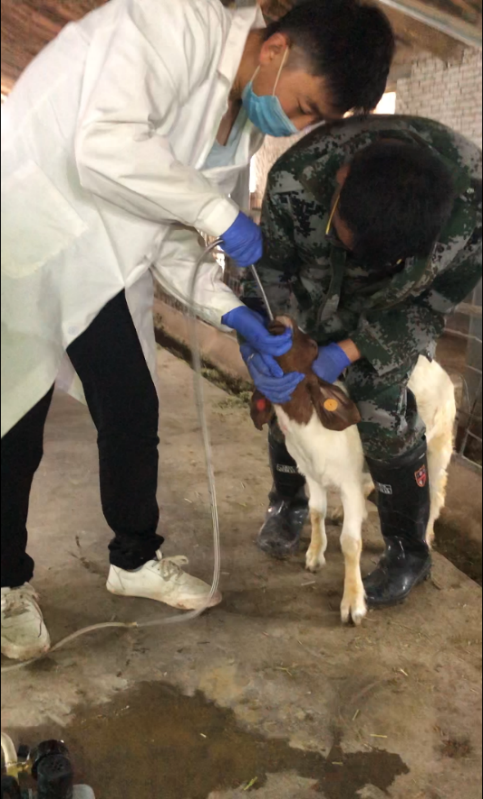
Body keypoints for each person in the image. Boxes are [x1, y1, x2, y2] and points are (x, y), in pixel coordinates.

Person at [1, 0, 395, 661]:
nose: (295, 125)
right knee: (14, 424)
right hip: (24, 240)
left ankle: (134, 559)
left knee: (131, 407)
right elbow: (102, 146)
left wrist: (231, 312)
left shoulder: (239, 132)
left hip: (98, 267)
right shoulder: (168, 23)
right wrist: (217, 213)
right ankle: (5, 582)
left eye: (312, 121)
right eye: (303, 107)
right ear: (275, 50)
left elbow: (174, 236)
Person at [241, 114, 482, 607]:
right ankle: (288, 503)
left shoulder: (474, 207)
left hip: (390, 312)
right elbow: (270, 272)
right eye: (345, 232)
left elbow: (432, 305)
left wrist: (351, 351)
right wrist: (265, 337)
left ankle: (408, 550)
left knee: (382, 409)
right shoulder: (296, 178)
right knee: (289, 394)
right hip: (308, 302)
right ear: (342, 178)